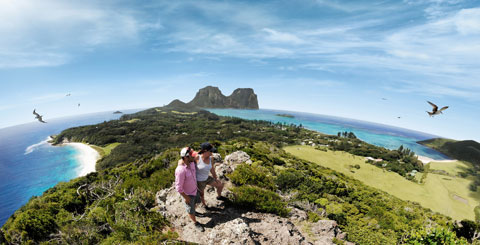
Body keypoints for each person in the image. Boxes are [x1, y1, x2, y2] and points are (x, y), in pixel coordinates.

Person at [175, 147, 204, 232]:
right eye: (192, 156)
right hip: (188, 194)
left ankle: (194, 211)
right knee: (190, 210)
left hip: (195, 190)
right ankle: (195, 222)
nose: (194, 157)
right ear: (186, 157)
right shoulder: (180, 170)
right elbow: (178, 188)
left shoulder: (191, 163)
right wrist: (186, 197)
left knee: (195, 204)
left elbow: (197, 157)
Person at [195, 142, 225, 208]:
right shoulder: (197, 158)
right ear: (205, 151)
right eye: (210, 151)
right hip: (199, 181)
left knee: (220, 185)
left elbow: (212, 169)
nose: (212, 152)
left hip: (207, 178)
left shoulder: (211, 158)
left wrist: (215, 178)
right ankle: (204, 205)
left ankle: (219, 196)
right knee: (202, 194)